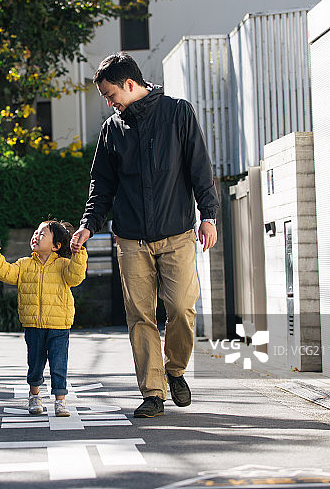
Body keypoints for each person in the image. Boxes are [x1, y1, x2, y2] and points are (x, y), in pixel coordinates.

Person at [70, 53, 219, 418]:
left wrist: (209, 215)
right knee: (140, 316)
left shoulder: (178, 113)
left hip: (178, 234)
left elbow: (199, 167)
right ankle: (153, 392)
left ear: (130, 85)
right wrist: (89, 223)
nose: (109, 102)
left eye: (110, 95)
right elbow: (101, 185)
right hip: (130, 238)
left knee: (182, 309)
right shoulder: (112, 130)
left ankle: (175, 370)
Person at [0, 220, 88, 417]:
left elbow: (76, 277)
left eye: (42, 234)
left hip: (59, 325)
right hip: (33, 324)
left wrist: (79, 253)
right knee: (35, 363)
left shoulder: (64, 265)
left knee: (59, 364)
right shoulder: (24, 264)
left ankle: (60, 400)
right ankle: (34, 395)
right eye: (35, 232)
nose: (35, 236)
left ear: (56, 246)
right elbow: (6, 272)